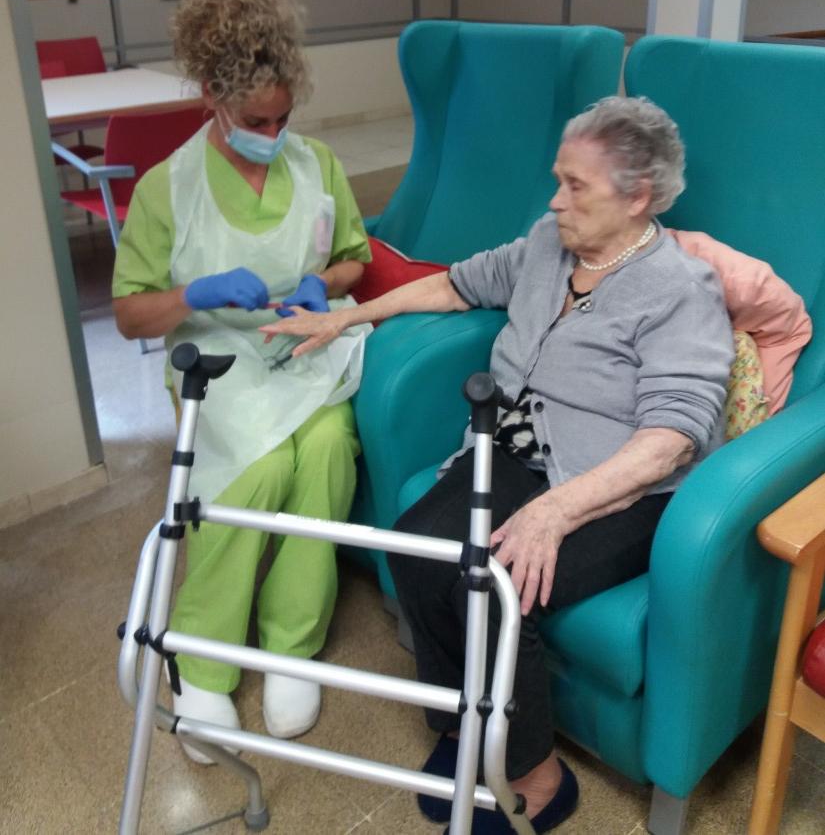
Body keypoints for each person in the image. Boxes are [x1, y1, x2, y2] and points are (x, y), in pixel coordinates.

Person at [261, 96, 734, 832]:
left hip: (618, 484)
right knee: (418, 547)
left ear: (637, 196)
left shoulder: (680, 289)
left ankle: (537, 773)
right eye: (557, 180)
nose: (554, 200)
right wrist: (348, 314)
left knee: (492, 584)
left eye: (574, 185)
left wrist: (555, 510)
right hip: (515, 448)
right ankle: (465, 725)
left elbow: (673, 435)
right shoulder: (549, 243)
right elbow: (456, 283)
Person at [112, 0, 372, 762]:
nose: (273, 132)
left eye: (283, 116)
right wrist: (193, 293)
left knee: (324, 451)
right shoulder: (168, 187)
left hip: (302, 343)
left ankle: (292, 646)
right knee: (256, 468)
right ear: (213, 100)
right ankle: (202, 663)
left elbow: (355, 257)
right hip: (215, 359)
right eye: (256, 119)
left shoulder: (316, 165)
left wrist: (322, 283)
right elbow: (129, 313)